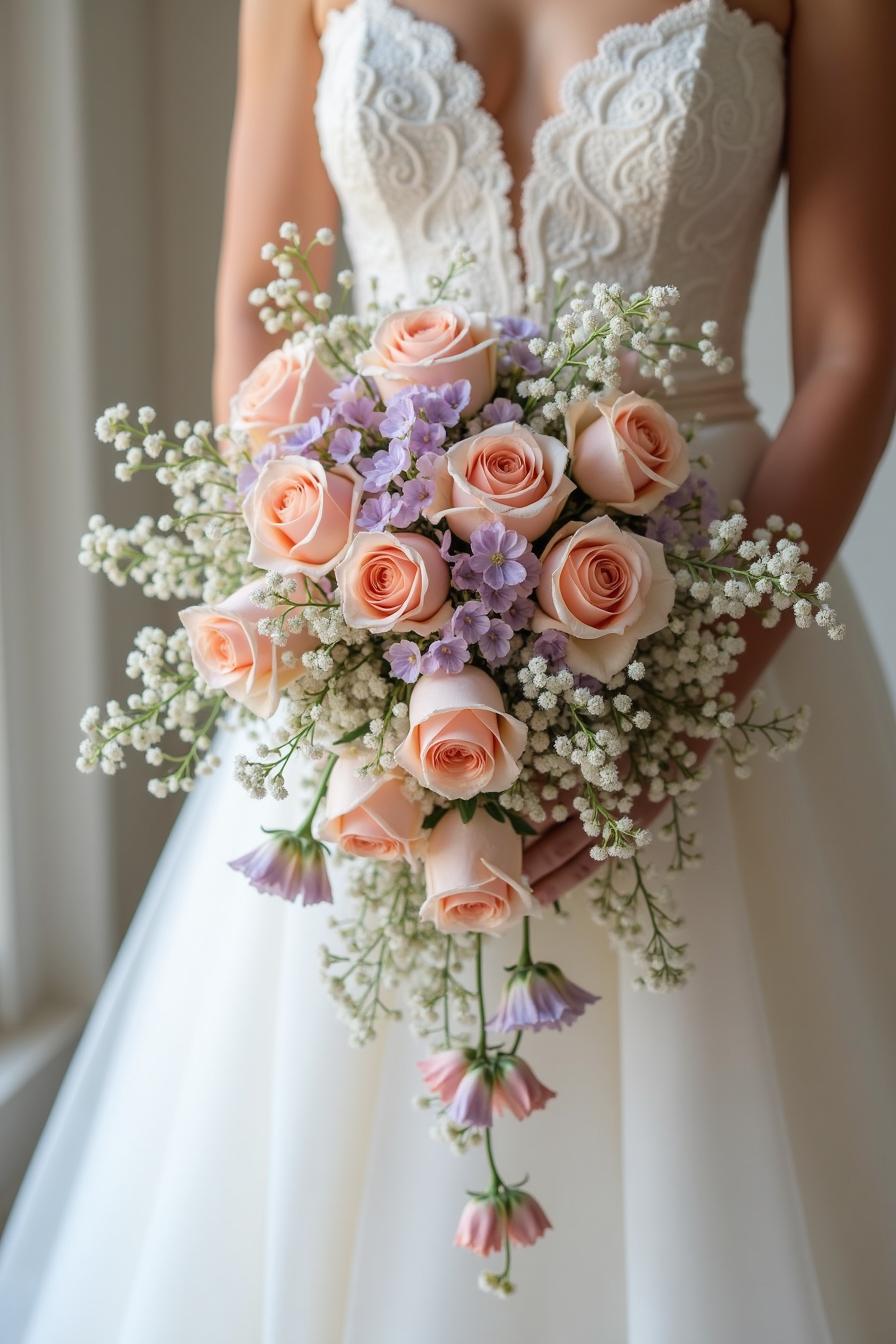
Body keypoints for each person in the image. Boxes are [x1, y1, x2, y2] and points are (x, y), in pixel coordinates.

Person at [2, 1, 894, 1339]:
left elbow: (853, 347)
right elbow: (259, 317)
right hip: (373, 609)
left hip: (709, 604)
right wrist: (343, 641)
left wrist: (683, 703)